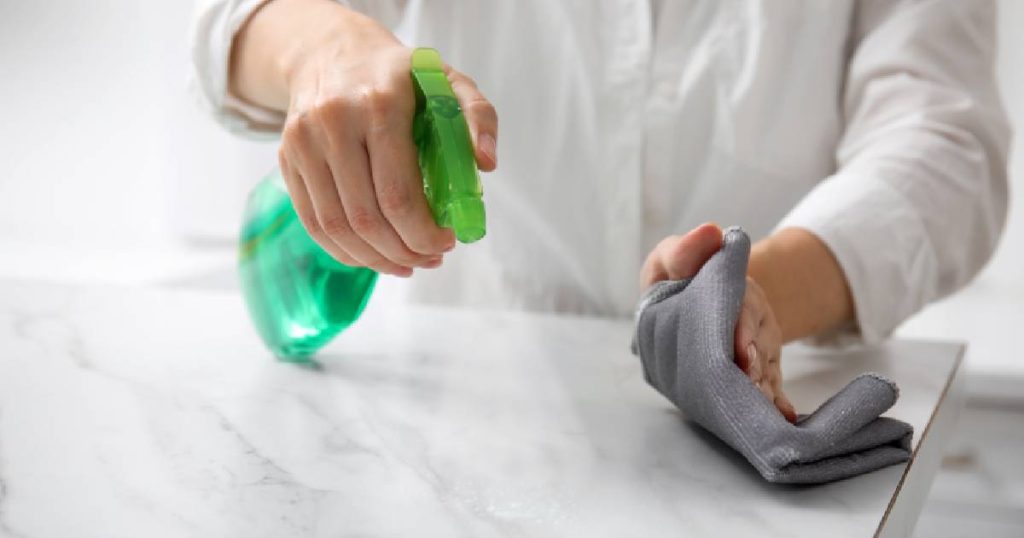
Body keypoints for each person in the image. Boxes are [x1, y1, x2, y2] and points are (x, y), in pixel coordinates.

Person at [191, 0, 1009, 421]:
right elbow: (232, 24)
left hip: (774, 418)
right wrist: (326, 49)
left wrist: (752, 295)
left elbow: (944, 147)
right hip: (473, 419)